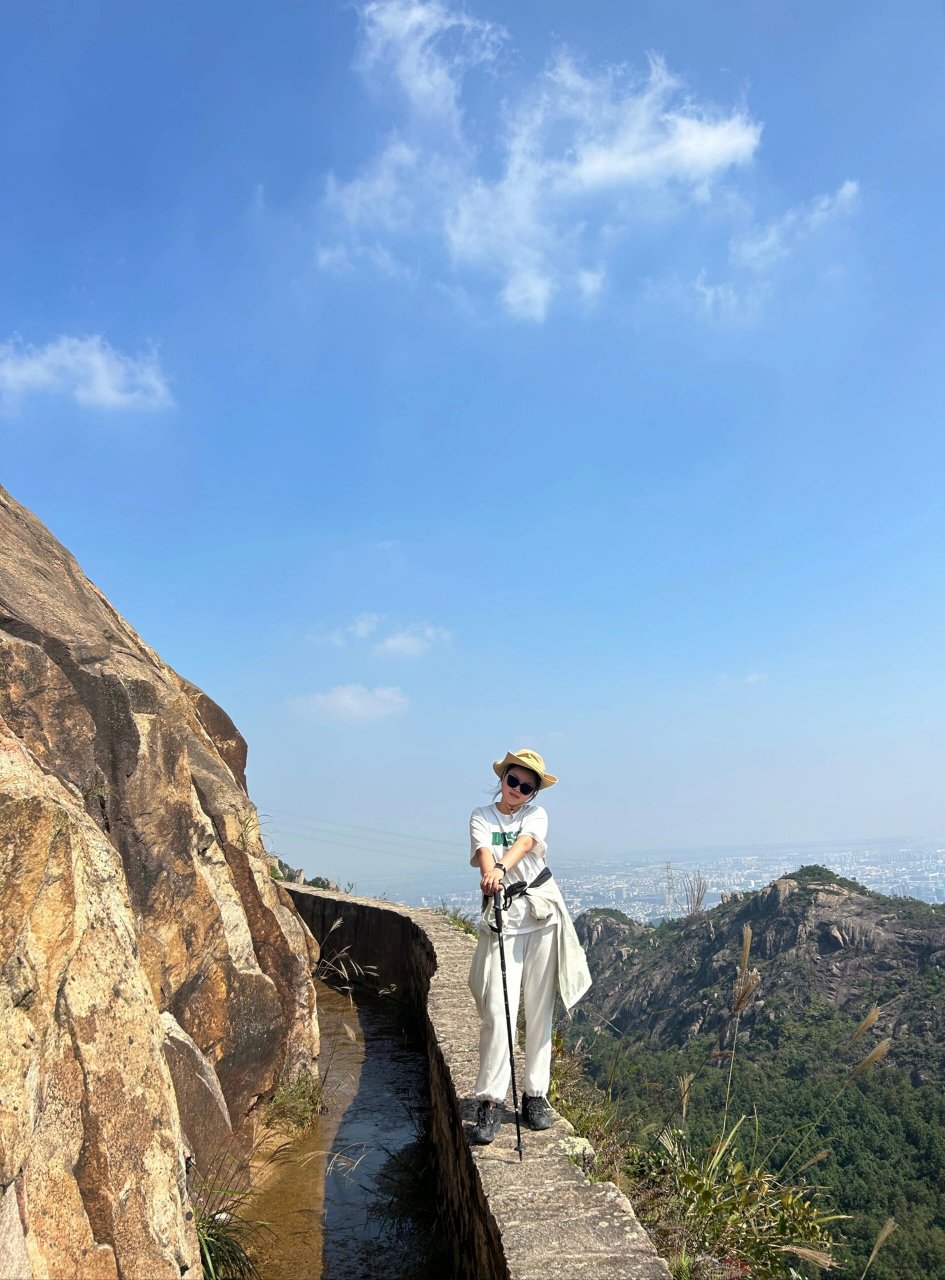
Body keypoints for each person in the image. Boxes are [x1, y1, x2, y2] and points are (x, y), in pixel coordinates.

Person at [467, 748, 592, 1145]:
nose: (518, 790)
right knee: (496, 1011)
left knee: (540, 1009)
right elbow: (484, 851)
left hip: (541, 914)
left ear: (534, 792)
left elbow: (524, 844)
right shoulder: (481, 816)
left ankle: (535, 1094)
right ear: (502, 778)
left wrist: (501, 870)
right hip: (504, 918)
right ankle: (489, 1099)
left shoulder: (536, 816)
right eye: (513, 781)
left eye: (527, 786)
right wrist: (491, 875)